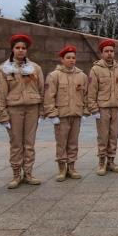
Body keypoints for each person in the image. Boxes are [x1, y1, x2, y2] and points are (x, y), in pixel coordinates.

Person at [0, 33, 45, 188]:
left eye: (23, 48)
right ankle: (16, 174)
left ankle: (28, 173)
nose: (21, 51)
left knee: (29, 143)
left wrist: (42, 112)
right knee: (16, 143)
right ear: (12, 49)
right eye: (17, 48)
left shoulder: (35, 68)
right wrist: (3, 115)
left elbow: (42, 90)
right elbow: (1, 94)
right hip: (14, 110)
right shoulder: (4, 69)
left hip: (32, 108)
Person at [44, 45, 87, 181]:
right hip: (61, 115)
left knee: (73, 142)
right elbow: (49, 96)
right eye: (68, 58)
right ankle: (62, 168)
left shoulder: (82, 75)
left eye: (73, 58)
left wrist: (85, 112)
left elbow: (85, 95)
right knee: (62, 143)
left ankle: (72, 167)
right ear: (62, 59)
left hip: (76, 113)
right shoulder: (54, 76)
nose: (71, 60)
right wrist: (52, 114)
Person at [87, 38, 118, 175]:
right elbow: (91, 91)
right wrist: (93, 109)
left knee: (113, 135)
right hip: (102, 108)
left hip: (116, 107)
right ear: (102, 53)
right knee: (103, 136)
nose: (110, 53)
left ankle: (111, 161)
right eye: (106, 51)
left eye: (111, 51)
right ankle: (101, 162)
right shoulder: (96, 70)